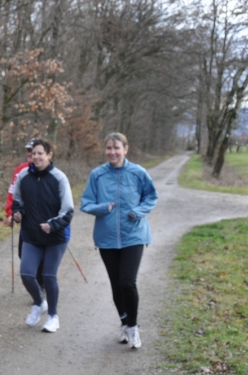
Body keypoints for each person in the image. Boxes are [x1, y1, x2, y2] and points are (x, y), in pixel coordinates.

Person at [80, 132, 158, 349]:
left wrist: (138, 211)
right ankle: (124, 323)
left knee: (127, 282)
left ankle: (133, 327)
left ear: (126, 149)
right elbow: (86, 203)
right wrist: (102, 208)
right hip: (107, 238)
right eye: (108, 148)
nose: (112, 152)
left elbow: (151, 196)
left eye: (116, 148)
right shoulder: (97, 175)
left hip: (134, 234)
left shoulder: (138, 172)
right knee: (116, 284)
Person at [12, 139, 74, 333]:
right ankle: (39, 303)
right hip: (31, 234)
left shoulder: (59, 178)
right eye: (33, 153)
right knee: (27, 274)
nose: (36, 157)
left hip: (56, 236)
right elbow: (17, 200)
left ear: (49, 155)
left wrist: (52, 225)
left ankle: (53, 317)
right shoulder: (23, 176)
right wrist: (18, 213)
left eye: (40, 153)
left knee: (48, 275)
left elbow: (68, 210)